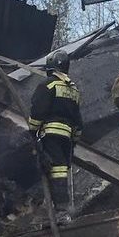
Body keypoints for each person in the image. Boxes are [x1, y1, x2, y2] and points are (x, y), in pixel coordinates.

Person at [28, 50, 83, 211]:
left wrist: (32, 131)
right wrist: (74, 140)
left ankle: (60, 208)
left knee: (56, 169)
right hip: (67, 136)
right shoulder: (73, 89)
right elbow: (78, 121)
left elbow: (38, 111)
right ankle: (59, 207)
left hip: (51, 133)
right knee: (61, 168)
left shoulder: (48, 84)